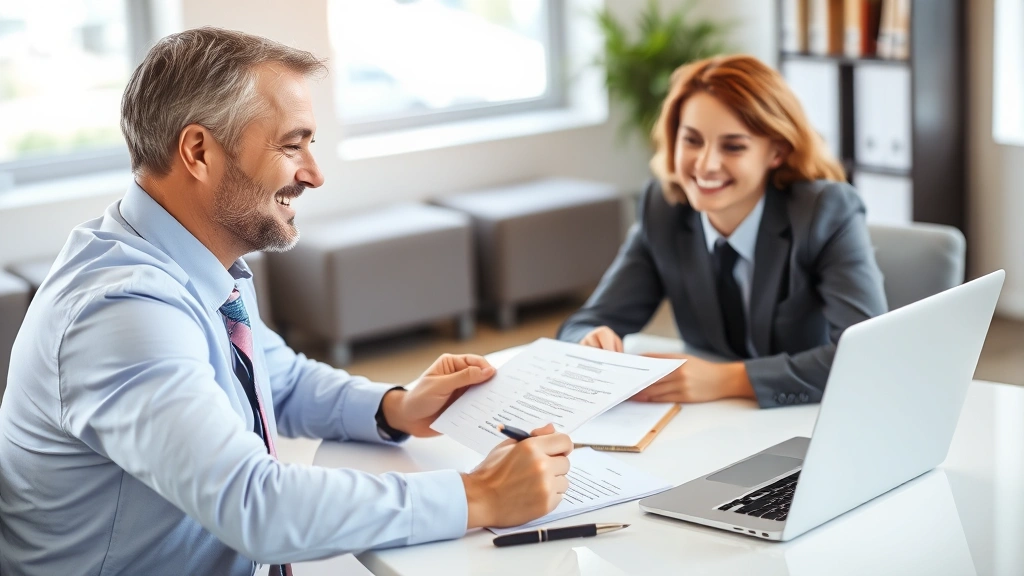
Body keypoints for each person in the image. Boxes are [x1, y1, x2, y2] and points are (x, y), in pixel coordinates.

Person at [0, 28, 572, 575]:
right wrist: (480, 494)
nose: (315, 175)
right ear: (198, 151)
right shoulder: (123, 311)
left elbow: (280, 379)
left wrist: (395, 407)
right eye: (291, 145)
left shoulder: (187, 261)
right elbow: (253, 504)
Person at [558, 55, 887, 408]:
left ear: (776, 151)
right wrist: (589, 341)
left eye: (733, 146)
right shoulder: (664, 208)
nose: (706, 165)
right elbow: (584, 322)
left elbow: (864, 356)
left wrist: (728, 379)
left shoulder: (825, 212)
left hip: (808, 417)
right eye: (692, 141)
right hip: (715, 421)